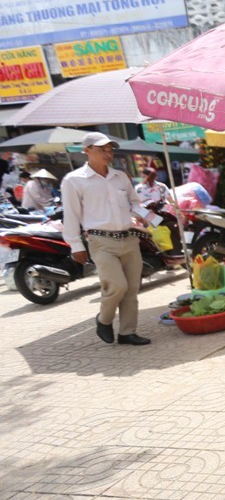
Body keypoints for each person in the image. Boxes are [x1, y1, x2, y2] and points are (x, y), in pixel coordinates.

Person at [61, 132, 154, 346]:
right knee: (116, 286)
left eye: (110, 149)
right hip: (101, 241)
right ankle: (103, 320)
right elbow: (72, 215)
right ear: (87, 151)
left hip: (129, 238)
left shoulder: (120, 177)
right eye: (102, 149)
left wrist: (155, 219)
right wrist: (75, 244)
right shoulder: (74, 180)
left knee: (131, 289)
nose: (108, 153)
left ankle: (127, 332)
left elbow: (135, 203)